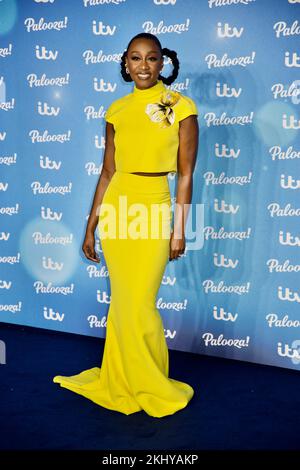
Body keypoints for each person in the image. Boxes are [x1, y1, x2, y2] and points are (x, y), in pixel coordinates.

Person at [53, 32, 199, 418]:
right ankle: (121, 380)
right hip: (118, 206)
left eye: (152, 58)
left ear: (163, 63)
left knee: (140, 303)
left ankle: (149, 381)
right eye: (136, 58)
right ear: (126, 63)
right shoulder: (116, 110)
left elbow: (185, 175)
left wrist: (180, 228)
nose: (144, 66)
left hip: (154, 208)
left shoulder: (181, 106)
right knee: (122, 302)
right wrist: (90, 227)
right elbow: (106, 172)